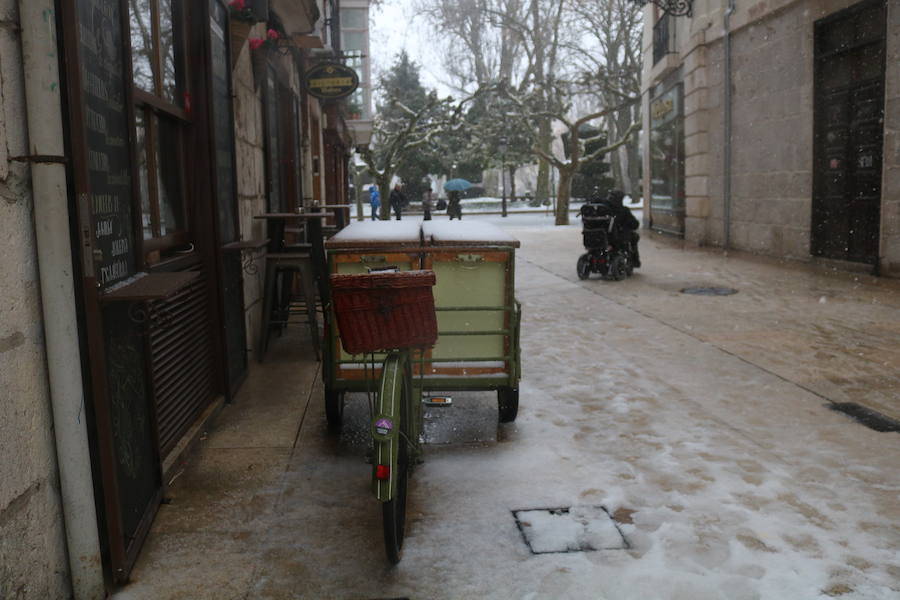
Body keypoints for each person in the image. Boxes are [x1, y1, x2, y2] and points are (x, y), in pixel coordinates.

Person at [601, 189, 641, 268]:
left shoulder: (602, 209)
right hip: (616, 237)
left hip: (600, 236)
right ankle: (634, 260)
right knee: (634, 237)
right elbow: (635, 224)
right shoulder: (623, 211)